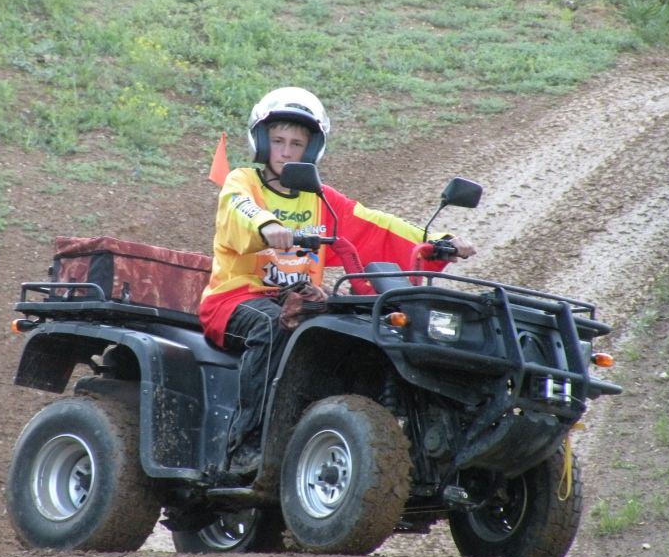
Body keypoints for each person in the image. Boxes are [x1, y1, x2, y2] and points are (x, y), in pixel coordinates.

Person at [199, 87, 476, 474]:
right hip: (235, 300)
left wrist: (437, 242)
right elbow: (239, 210)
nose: (286, 151)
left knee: (354, 332)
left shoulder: (322, 199)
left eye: (297, 143)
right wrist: (268, 225)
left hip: (301, 300)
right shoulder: (243, 182)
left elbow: (378, 227)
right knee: (272, 327)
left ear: (311, 150)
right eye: (277, 140)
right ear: (260, 142)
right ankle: (245, 445)